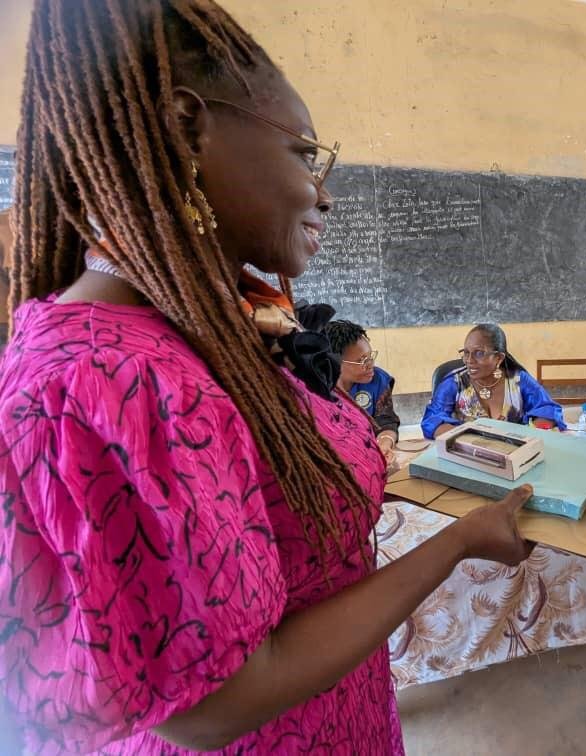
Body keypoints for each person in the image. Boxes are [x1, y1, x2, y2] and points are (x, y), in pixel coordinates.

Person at [0, 2, 533, 753]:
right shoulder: (107, 378)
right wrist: (459, 541)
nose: (325, 193)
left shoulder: (197, 324)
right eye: (304, 155)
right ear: (190, 130)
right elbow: (213, 705)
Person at [421, 323, 566, 438]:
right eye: (466, 353)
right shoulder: (454, 383)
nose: (469, 361)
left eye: (479, 353)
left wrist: (529, 436)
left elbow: (548, 410)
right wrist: (464, 440)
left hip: (513, 456)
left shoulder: (518, 380)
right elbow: (432, 419)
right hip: (469, 456)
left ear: (499, 358)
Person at [324, 319, 399, 463]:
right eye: (362, 361)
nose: (370, 365)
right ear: (335, 362)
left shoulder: (378, 380)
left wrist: (385, 442)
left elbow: (386, 422)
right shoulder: (316, 391)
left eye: (370, 357)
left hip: (368, 459)